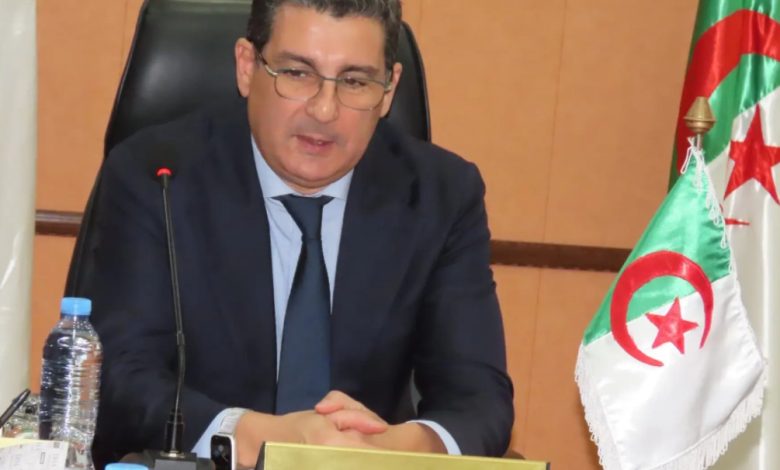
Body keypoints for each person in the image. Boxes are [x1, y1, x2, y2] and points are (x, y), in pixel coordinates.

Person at [83, 0, 514, 468]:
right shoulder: (158, 177)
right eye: (297, 73)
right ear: (247, 67)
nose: (324, 110)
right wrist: (257, 436)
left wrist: (389, 448)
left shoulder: (440, 195)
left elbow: (479, 399)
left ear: (389, 90)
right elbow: (119, 378)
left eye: (355, 81)